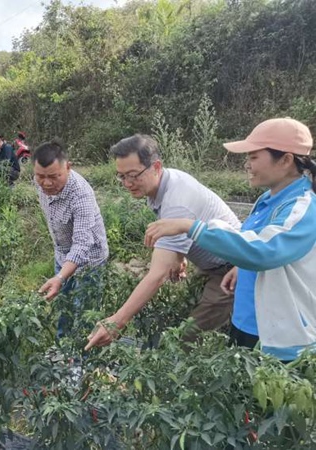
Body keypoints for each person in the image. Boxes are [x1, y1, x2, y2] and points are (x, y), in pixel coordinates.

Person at [144, 118, 316, 361]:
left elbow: (264, 251)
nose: (247, 164)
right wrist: (238, 266)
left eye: (254, 157)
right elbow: (254, 240)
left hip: (281, 339)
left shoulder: (303, 208)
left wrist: (191, 227)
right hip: (248, 322)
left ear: (286, 160)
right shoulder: (268, 199)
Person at [85, 134, 240, 350]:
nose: (127, 184)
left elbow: (157, 275)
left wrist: (117, 321)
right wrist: (179, 254)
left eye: (133, 175)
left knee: (187, 337)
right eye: (121, 176)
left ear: (156, 166)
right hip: (213, 264)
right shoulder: (164, 184)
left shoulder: (178, 200)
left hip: (232, 270)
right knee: (186, 323)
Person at [33, 140, 109, 338]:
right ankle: (63, 349)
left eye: (53, 177)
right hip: (62, 254)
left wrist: (60, 277)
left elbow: (83, 243)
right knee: (63, 306)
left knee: (85, 312)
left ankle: (83, 360)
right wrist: (61, 276)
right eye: (40, 176)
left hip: (90, 261)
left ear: (68, 167)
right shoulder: (40, 183)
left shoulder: (81, 196)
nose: (46, 183)